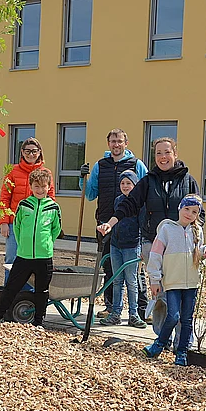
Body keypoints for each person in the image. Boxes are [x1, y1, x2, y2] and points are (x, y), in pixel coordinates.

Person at [99, 137, 204, 344]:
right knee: (162, 293)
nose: (163, 157)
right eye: (158, 153)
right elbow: (129, 205)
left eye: (167, 152)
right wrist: (110, 223)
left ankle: (183, 341)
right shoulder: (148, 181)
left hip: (182, 246)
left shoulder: (187, 180)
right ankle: (162, 336)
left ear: (175, 153)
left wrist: (198, 241)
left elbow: (199, 213)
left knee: (181, 292)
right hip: (153, 243)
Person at [79, 129, 148, 317]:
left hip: (132, 225)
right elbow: (90, 193)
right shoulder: (101, 166)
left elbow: (147, 191)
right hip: (105, 223)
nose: (116, 144)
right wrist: (82, 179)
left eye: (119, 141)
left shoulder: (136, 164)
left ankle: (142, 309)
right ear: (108, 143)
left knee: (135, 268)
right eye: (112, 141)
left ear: (126, 143)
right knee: (109, 265)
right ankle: (110, 306)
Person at [143, 195, 206, 366]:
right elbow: (155, 255)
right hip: (173, 282)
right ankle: (159, 344)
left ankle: (181, 352)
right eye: (187, 209)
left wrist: (205, 250)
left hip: (191, 284)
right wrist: (154, 279)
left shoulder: (197, 231)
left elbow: (197, 251)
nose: (189, 214)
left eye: (194, 211)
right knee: (173, 316)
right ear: (180, 208)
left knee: (187, 319)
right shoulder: (167, 230)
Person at [0, 168, 62, 326]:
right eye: (36, 186)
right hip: (24, 256)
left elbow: (56, 229)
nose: (40, 190)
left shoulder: (53, 207)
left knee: (41, 291)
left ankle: (38, 322)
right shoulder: (24, 205)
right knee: (11, 287)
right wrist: (23, 244)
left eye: (43, 186)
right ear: (31, 187)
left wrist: (46, 244)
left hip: (44, 257)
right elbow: (16, 227)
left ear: (49, 187)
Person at [0, 137, 55, 288]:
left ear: (39, 152)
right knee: (12, 260)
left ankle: (28, 299)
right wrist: (4, 222)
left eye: (34, 151)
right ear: (22, 152)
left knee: (33, 262)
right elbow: (4, 197)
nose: (31, 154)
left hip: (37, 227)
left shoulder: (45, 173)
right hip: (14, 225)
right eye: (27, 151)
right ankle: (10, 297)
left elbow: (51, 201)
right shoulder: (13, 171)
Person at [98, 170, 145, 328]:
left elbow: (143, 224)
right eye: (123, 183)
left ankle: (134, 314)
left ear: (135, 185)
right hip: (116, 244)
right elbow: (115, 219)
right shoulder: (118, 200)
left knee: (132, 281)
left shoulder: (140, 203)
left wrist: (143, 246)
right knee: (117, 280)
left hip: (131, 245)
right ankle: (116, 313)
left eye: (129, 183)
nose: (125, 186)